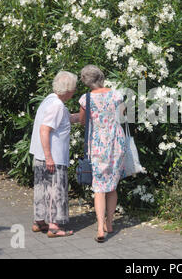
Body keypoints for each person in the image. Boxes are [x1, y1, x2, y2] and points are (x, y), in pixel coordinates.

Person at [29, 71, 80, 238]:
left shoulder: (49, 100)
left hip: (40, 155)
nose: (75, 91)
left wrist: (81, 116)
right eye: (74, 88)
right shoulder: (57, 105)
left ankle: (40, 222)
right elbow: (45, 130)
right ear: (68, 90)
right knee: (55, 190)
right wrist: (49, 157)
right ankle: (54, 226)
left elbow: (62, 120)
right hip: (52, 157)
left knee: (42, 189)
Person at [78, 65, 125, 243]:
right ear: (102, 76)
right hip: (116, 143)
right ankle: (110, 223)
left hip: (97, 145)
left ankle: (99, 227)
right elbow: (122, 115)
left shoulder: (86, 98)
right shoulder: (116, 95)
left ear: (86, 81)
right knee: (112, 185)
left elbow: (83, 122)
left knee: (99, 187)